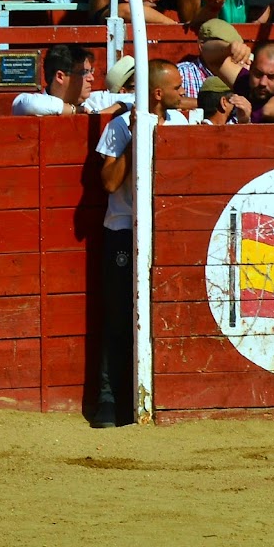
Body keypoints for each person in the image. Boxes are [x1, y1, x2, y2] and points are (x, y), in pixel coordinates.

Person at [90, 58, 189, 429]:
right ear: (159, 93)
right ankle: (108, 400)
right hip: (123, 230)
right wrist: (135, 137)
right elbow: (109, 183)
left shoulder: (181, 123)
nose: (184, 92)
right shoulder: (120, 126)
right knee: (118, 315)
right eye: (177, 87)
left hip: (167, 232)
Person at [200, 20, 274, 122]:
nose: (263, 82)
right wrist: (227, 48)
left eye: (271, 77)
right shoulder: (244, 82)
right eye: (258, 74)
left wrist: (246, 122)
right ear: (251, 68)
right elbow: (207, 53)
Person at [12, 44, 95, 115]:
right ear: (60, 77)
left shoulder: (94, 102)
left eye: (91, 71)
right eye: (84, 72)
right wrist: (74, 110)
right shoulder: (35, 106)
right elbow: (26, 104)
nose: (91, 78)